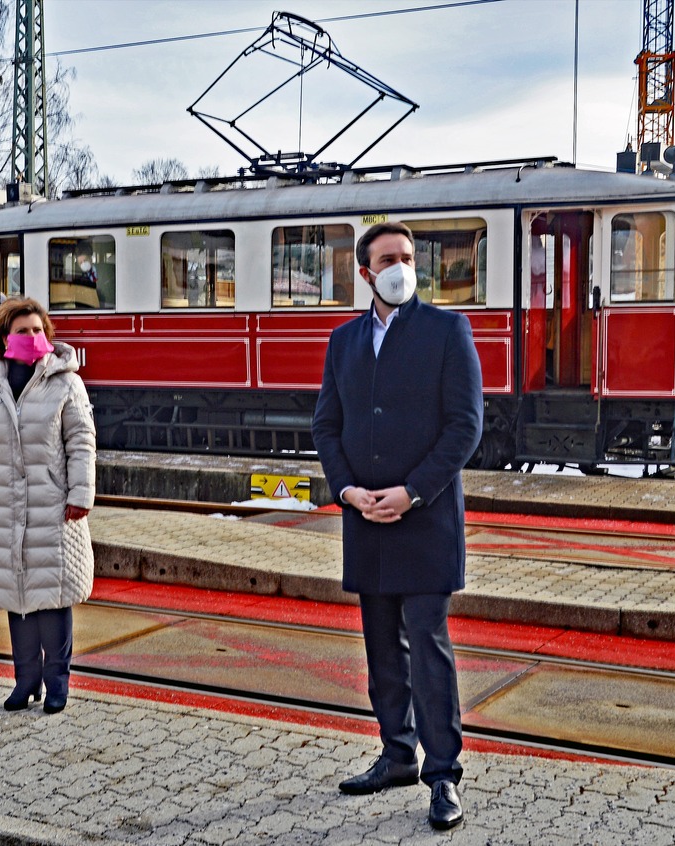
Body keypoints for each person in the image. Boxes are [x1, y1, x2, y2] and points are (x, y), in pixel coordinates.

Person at [311, 221, 483, 831]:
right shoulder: (343, 341)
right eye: (389, 258)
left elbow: (465, 427)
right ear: (365, 273)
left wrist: (411, 492)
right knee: (382, 649)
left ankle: (443, 777)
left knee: (427, 651)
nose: (401, 266)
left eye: (408, 257)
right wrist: (348, 490)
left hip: (424, 519)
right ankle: (395, 754)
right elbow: (326, 427)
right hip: (366, 518)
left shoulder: (446, 330)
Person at [0, 297, 95, 715]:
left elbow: (82, 442)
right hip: (4, 505)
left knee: (51, 599)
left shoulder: (66, 382)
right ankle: (24, 681)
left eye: (38, 330)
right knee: (16, 599)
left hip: (52, 506)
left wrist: (80, 495)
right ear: (4, 338)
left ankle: (58, 684)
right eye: (23, 331)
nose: (33, 337)